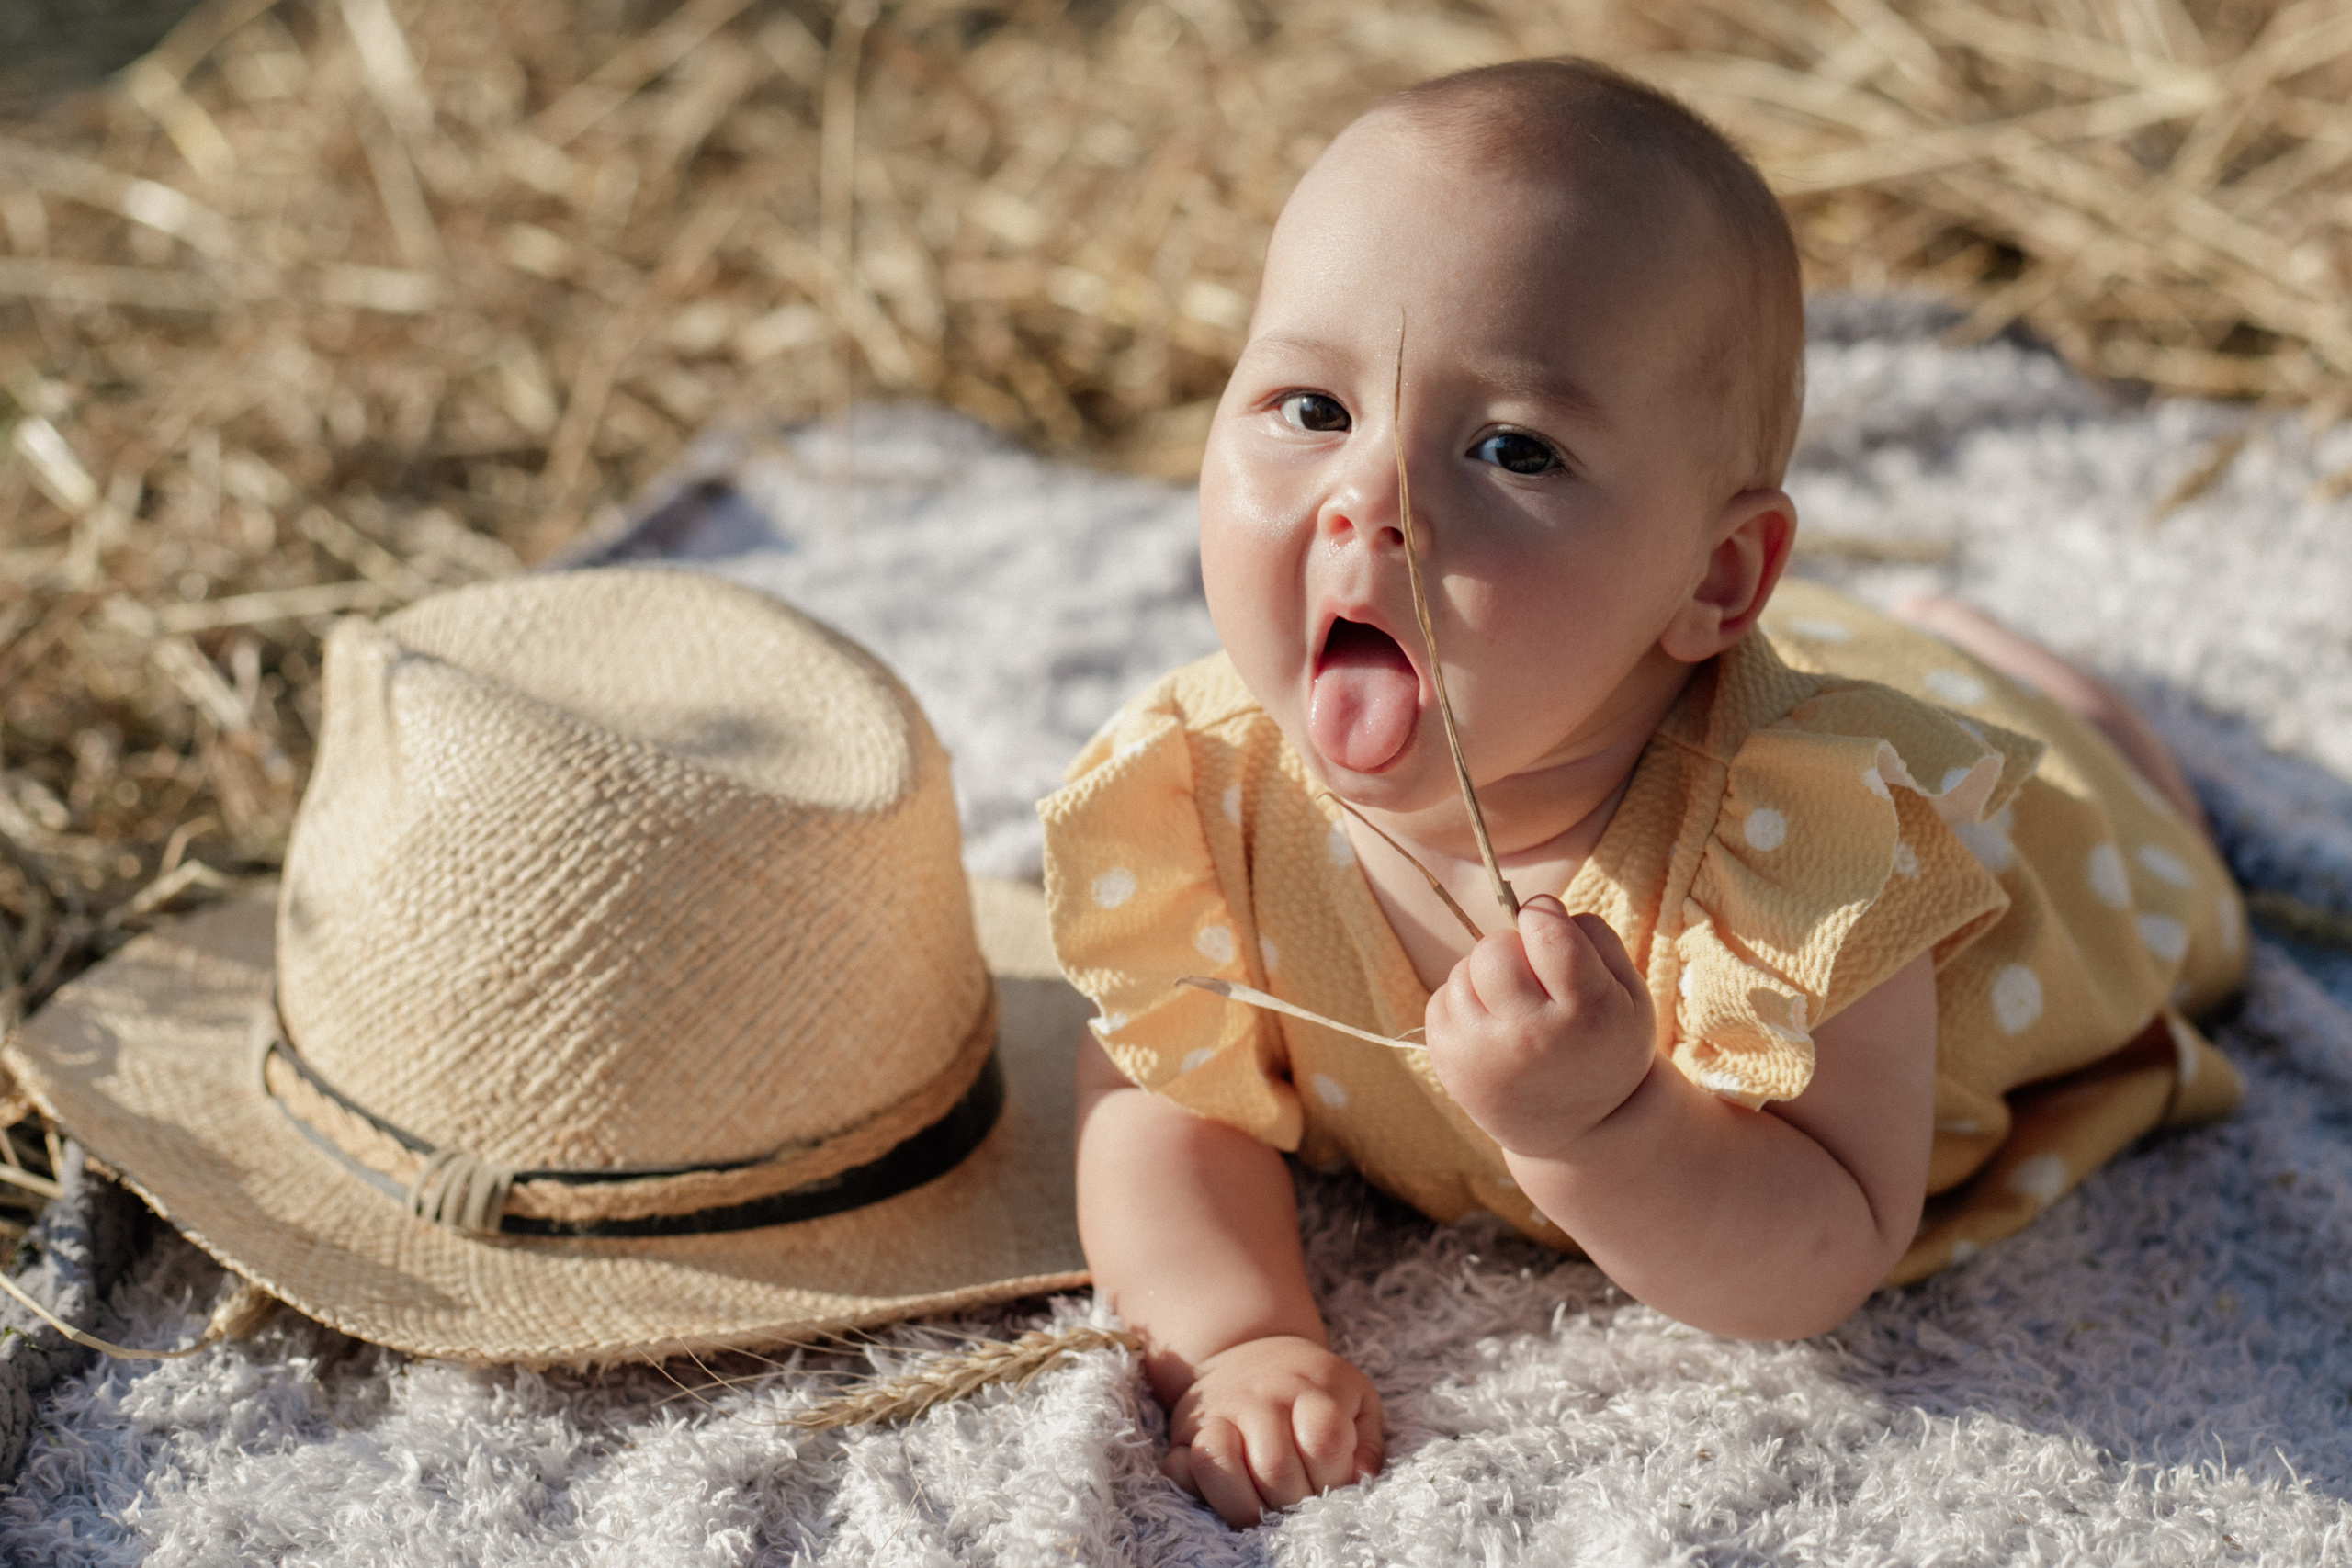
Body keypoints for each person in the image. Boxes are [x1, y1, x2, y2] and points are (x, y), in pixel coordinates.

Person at [1038, 58, 2245, 1529]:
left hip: (2049, 875)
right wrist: (1237, 1334)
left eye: (1513, 450)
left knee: (2142, 839)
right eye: (1309, 404)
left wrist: (1608, 1129)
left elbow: (1828, 1245)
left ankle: (2056, 689)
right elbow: (1165, 1094)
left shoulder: (1808, 846)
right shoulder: (1210, 794)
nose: (1373, 502)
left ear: (1714, 576)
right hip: (1655, 655)